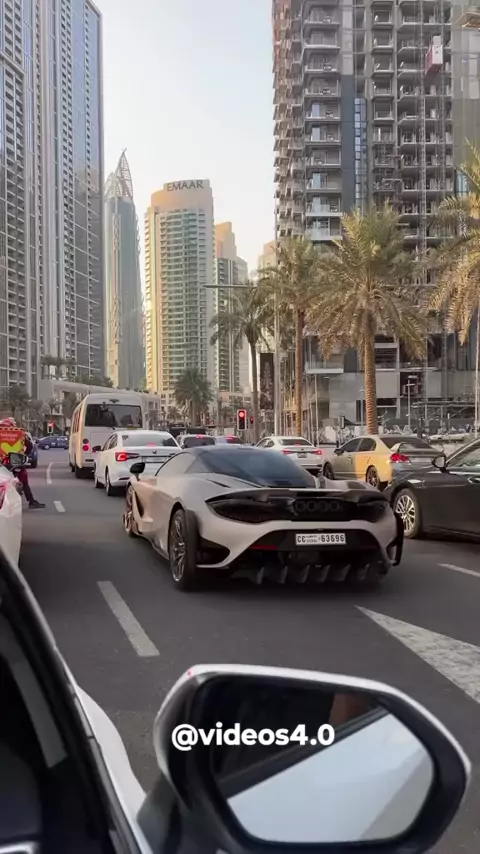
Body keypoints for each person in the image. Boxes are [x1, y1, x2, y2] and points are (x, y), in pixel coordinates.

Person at [0, 419, 45, 509]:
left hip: (3, 463)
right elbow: (30, 446)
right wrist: (23, 454)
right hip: (16, 461)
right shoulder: (19, 434)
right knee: (24, 481)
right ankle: (31, 501)